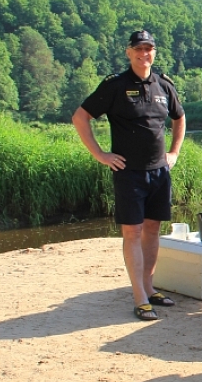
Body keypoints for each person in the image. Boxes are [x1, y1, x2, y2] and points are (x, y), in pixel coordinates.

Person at [72, 30, 186, 321]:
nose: (143, 54)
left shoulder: (164, 85)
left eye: (148, 49)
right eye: (138, 49)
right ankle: (139, 298)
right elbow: (80, 117)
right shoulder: (116, 85)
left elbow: (180, 117)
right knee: (132, 232)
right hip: (129, 174)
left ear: (154, 53)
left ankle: (150, 288)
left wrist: (173, 153)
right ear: (129, 52)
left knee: (152, 230)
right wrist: (101, 155)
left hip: (159, 173)